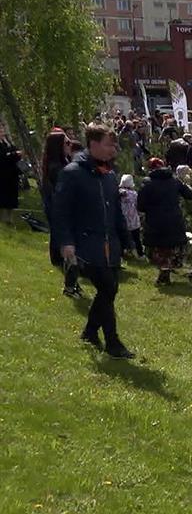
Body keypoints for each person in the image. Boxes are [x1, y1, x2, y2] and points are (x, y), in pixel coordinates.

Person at [51, 124, 135, 359]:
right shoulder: (72, 173)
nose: (114, 149)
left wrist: (127, 239)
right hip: (87, 244)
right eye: (109, 144)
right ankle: (113, 342)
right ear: (93, 143)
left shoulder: (108, 174)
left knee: (110, 289)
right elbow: (60, 212)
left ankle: (89, 332)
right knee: (107, 287)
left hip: (110, 244)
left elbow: (116, 210)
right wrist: (66, 242)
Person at [137, 157, 192, 285]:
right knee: (169, 247)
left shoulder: (147, 183)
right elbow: (190, 194)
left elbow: (140, 205)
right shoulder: (174, 180)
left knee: (159, 248)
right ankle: (166, 272)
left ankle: (163, 272)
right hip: (174, 219)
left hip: (155, 221)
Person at [41, 129, 80, 292]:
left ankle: (71, 280)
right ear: (58, 146)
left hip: (62, 209)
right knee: (67, 244)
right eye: (66, 143)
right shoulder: (56, 167)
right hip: (61, 210)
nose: (70, 145)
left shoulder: (62, 162)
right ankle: (70, 282)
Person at [119, 174, 143, 258]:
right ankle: (140, 254)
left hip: (122, 219)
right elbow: (138, 205)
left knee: (122, 238)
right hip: (133, 220)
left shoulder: (118, 193)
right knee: (136, 238)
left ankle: (122, 254)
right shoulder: (134, 194)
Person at [0, 132, 20, 224]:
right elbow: (3, 156)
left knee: (12, 195)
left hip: (12, 173)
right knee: (4, 195)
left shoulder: (7, 141)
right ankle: (4, 218)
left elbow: (13, 151)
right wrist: (14, 154)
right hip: (3, 173)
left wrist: (17, 154)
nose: (2, 132)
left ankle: (10, 218)